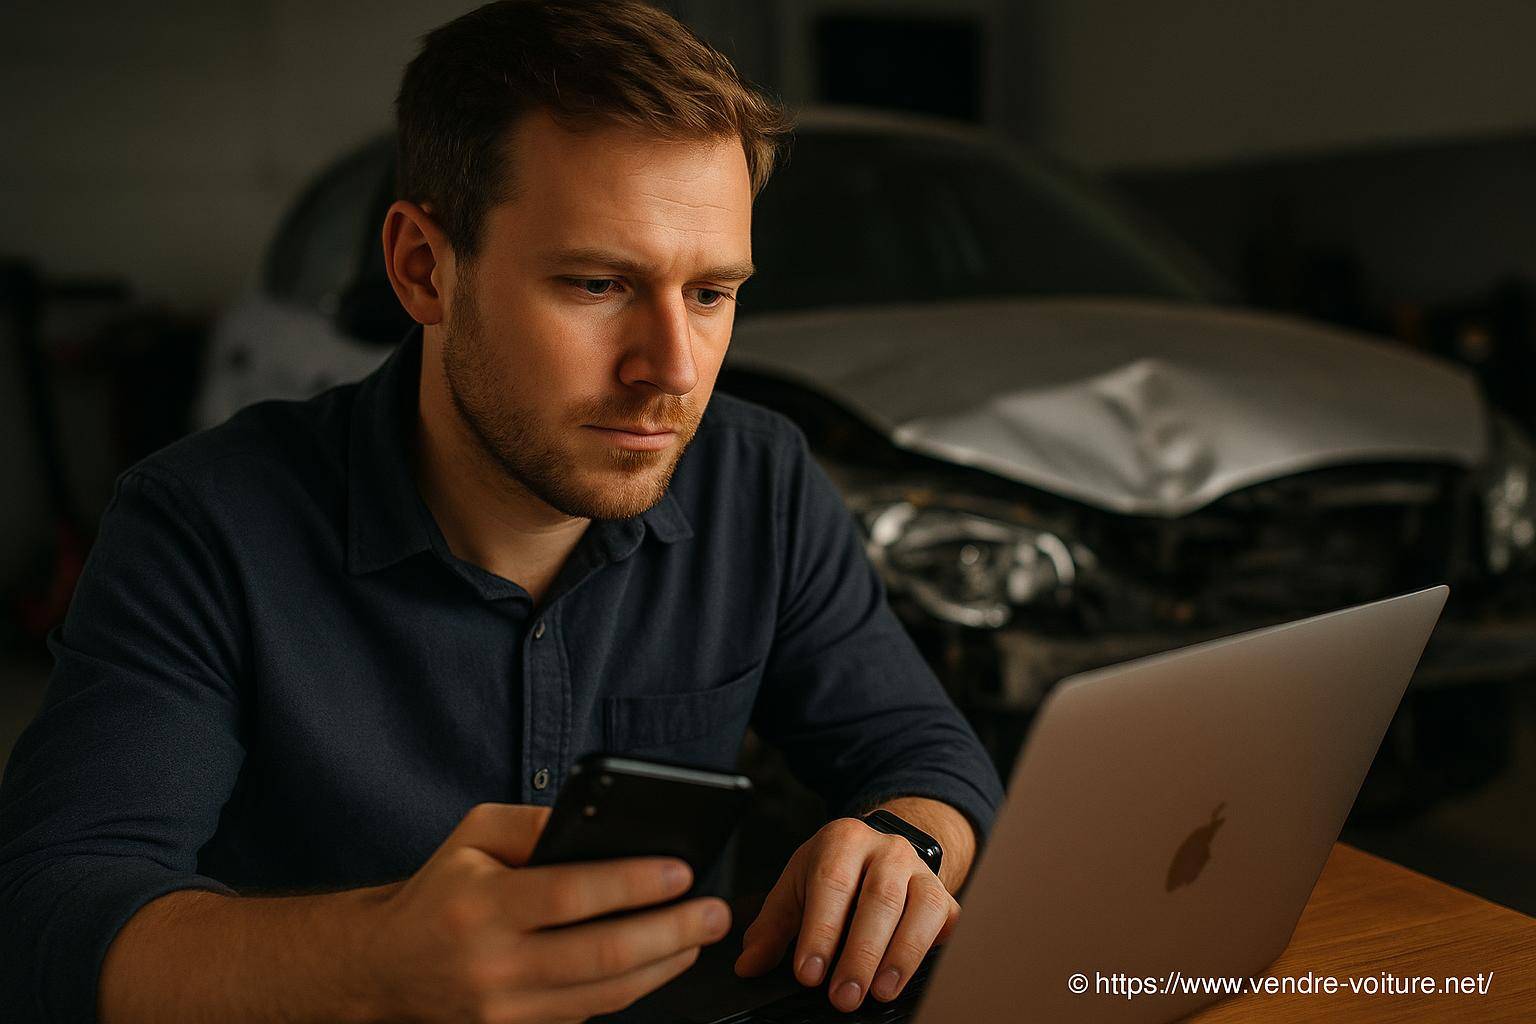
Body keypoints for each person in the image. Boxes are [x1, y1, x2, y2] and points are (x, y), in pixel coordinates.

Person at [0, 2, 1004, 1021]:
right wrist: (372, 960)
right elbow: (49, 917)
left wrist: (903, 842)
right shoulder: (202, 527)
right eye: (599, 283)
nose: (672, 370)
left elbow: (929, 755)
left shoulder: (761, 481)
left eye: (710, 294)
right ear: (423, 268)